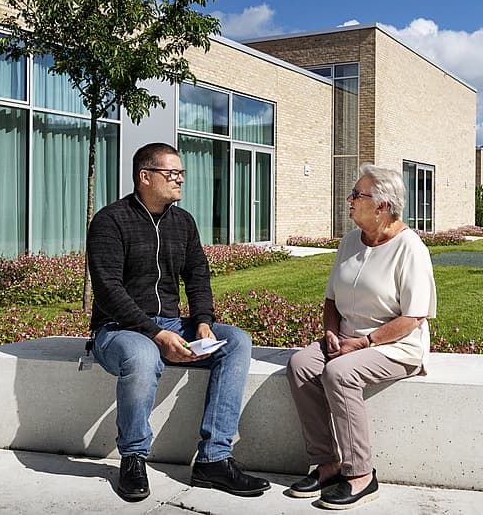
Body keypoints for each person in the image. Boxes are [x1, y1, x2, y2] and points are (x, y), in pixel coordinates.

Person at [86, 142, 271, 502]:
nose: (180, 179)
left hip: (169, 324)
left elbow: (197, 275)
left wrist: (202, 321)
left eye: (181, 173)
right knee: (143, 356)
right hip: (118, 330)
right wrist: (155, 334)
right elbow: (107, 289)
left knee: (235, 341)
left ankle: (214, 459)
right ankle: (133, 458)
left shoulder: (182, 221)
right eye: (172, 173)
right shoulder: (111, 221)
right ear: (145, 177)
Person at [285, 164, 436, 510]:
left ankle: (361, 475)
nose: (349, 200)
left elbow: (414, 317)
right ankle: (328, 464)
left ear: (382, 205)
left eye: (357, 195)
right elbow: (331, 300)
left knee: (340, 374)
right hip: (346, 338)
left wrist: (365, 343)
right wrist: (330, 330)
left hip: (395, 345)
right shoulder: (350, 241)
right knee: (301, 365)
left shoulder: (409, 248)